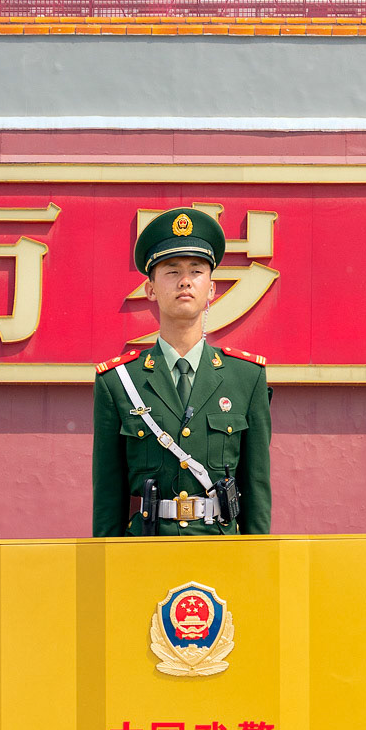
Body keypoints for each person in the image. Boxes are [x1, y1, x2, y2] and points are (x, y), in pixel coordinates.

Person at [92, 209, 272, 536]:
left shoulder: (246, 378)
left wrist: (257, 567)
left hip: (221, 550)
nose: (185, 281)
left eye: (196, 271)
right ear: (150, 289)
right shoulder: (119, 382)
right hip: (146, 551)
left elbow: (257, 485)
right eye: (172, 271)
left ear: (212, 288)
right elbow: (108, 494)